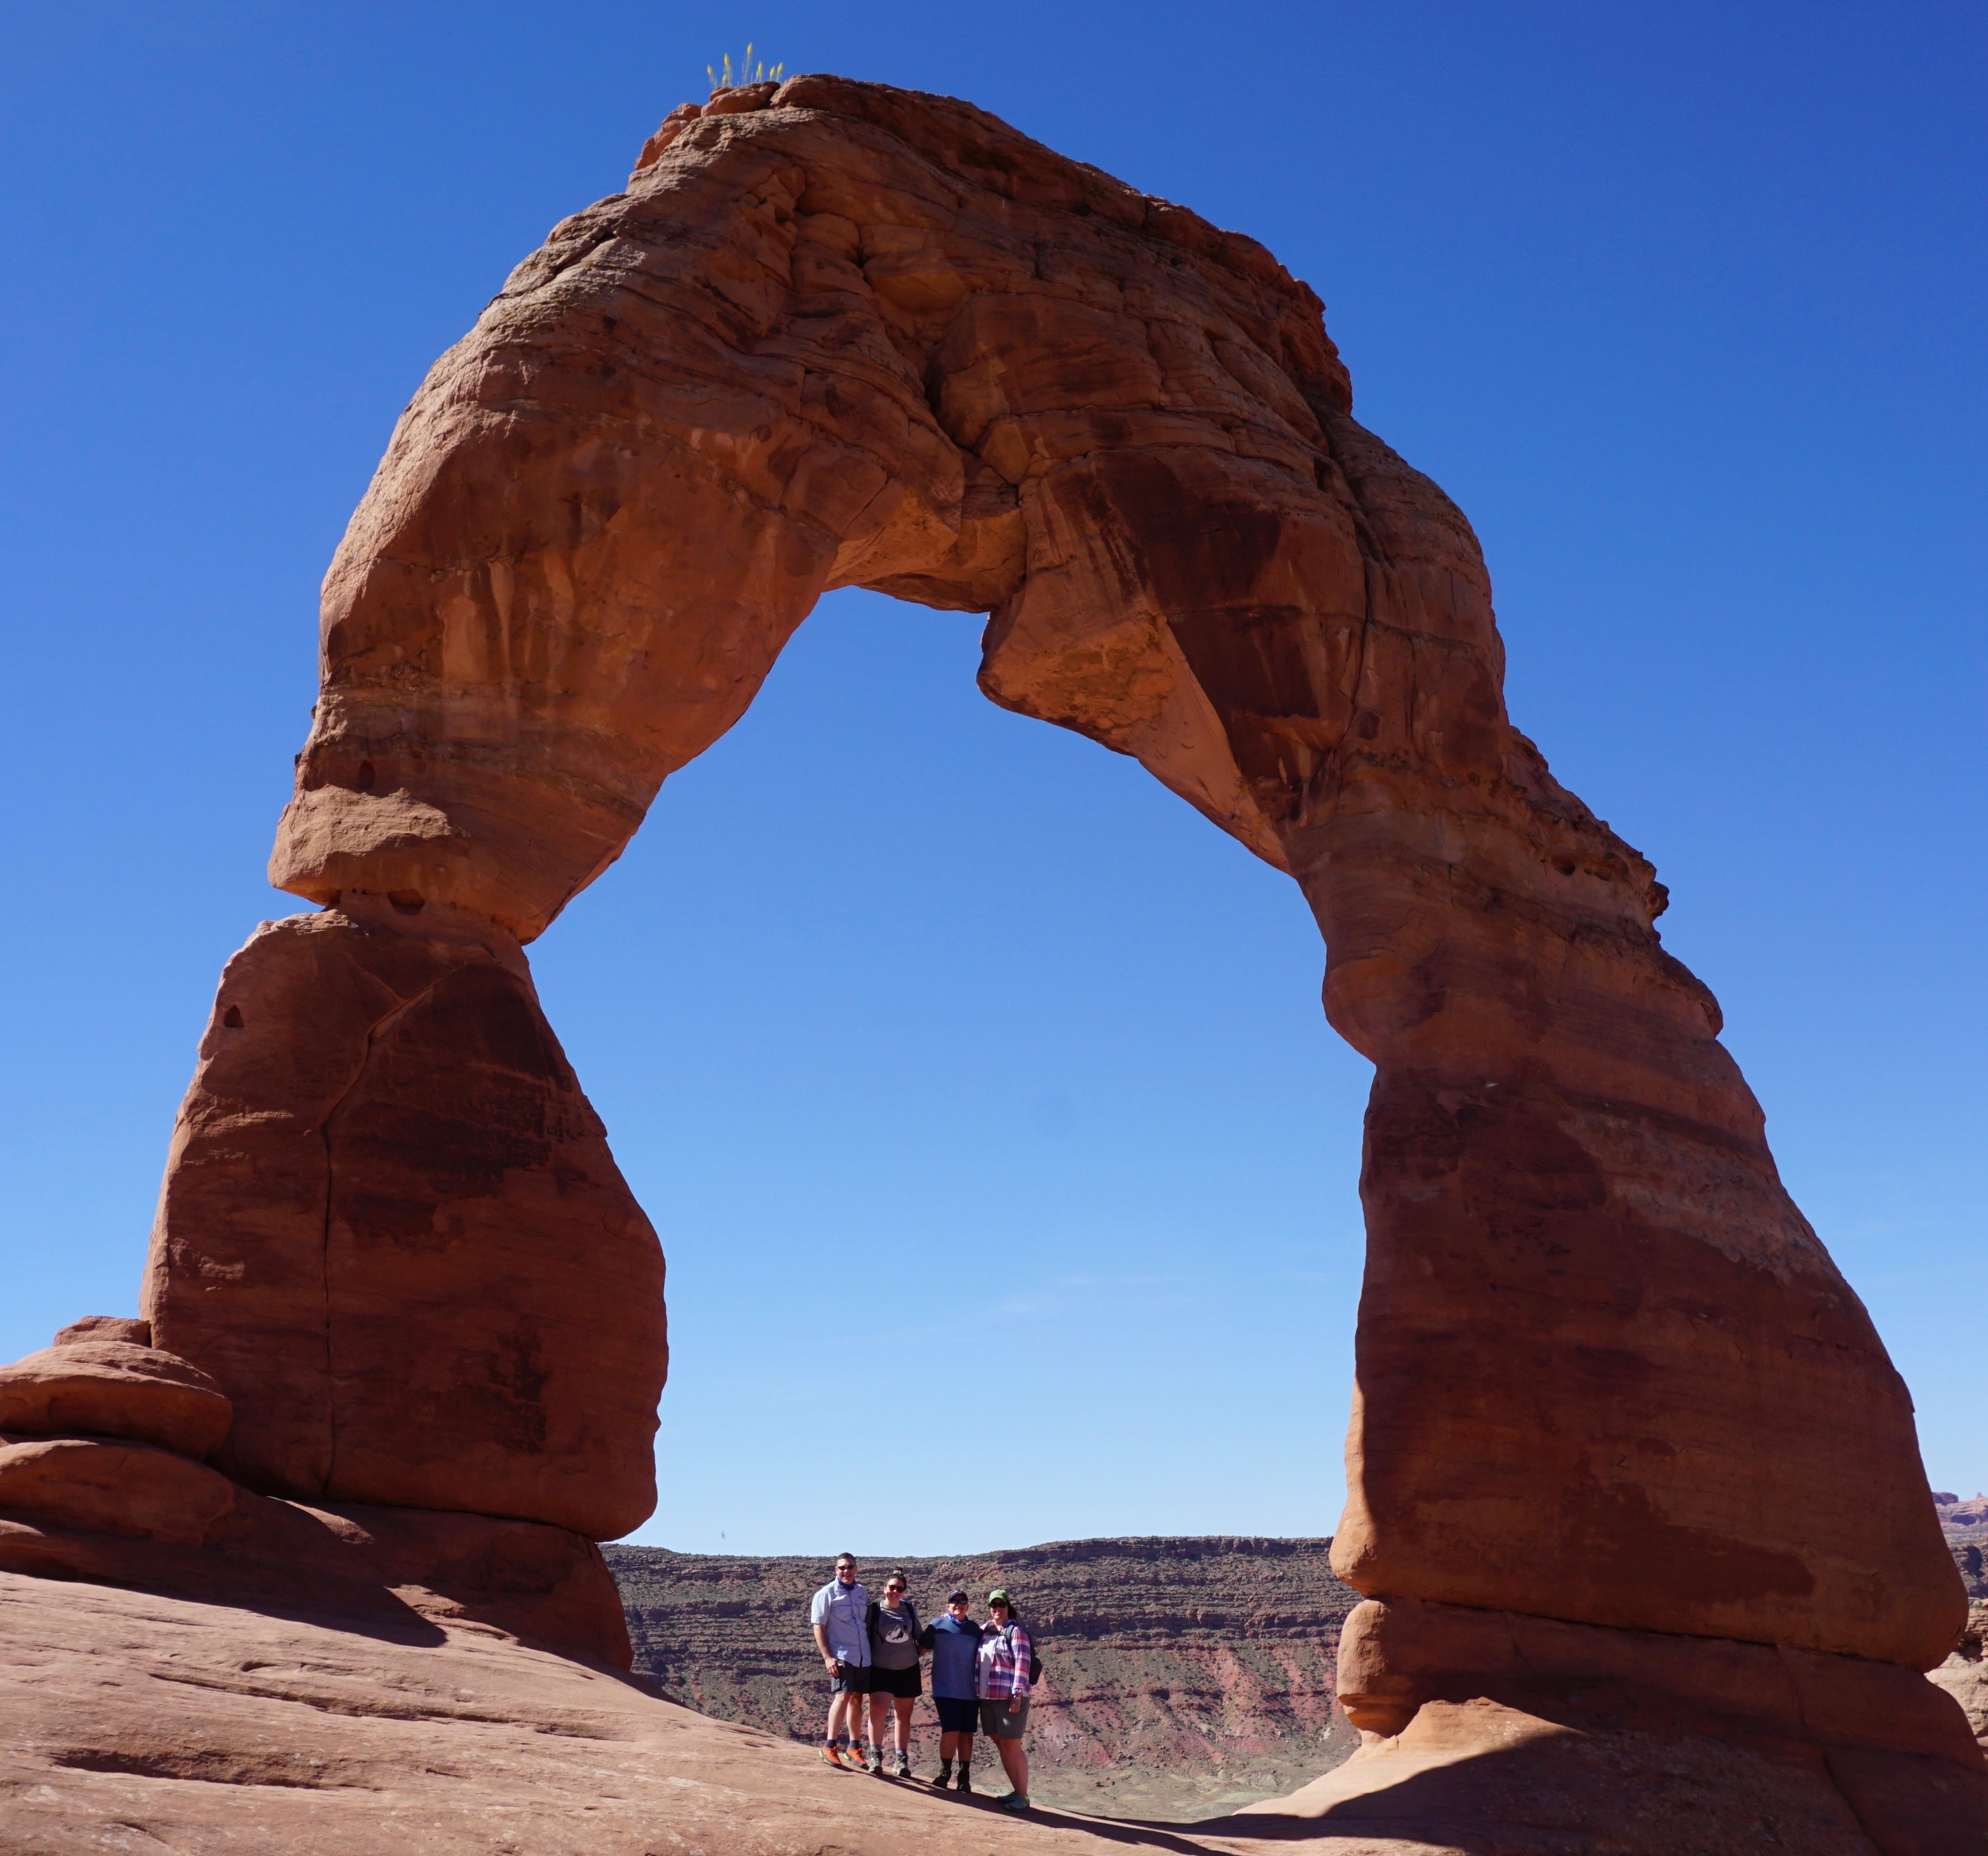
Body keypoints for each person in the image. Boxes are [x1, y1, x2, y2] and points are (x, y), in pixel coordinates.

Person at [808, 1552, 872, 1769]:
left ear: (856, 1568)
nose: (846, 1571)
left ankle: (854, 1748)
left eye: (850, 1567)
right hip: (842, 1656)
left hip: (863, 1656)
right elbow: (819, 1627)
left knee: (857, 1699)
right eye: (842, 1568)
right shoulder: (826, 1594)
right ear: (836, 1570)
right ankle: (830, 1745)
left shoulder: (862, 1592)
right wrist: (828, 1658)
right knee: (842, 1696)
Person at [976, 1587, 1033, 1812]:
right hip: (988, 1697)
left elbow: (1023, 1663)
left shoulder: (1016, 1631)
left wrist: (1017, 1694)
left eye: (1001, 1605)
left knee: (1012, 1745)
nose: (997, 1609)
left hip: (1010, 1697)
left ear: (1008, 1607)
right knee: (1001, 1744)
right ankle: (1016, 1791)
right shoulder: (986, 1631)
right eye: (993, 1605)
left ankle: (1023, 1796)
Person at [918, 1588, 981, 1792]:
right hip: (945, 1689)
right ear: (948, 1606)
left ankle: (964, 1776)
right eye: (954, 1601)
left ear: (968, 1606)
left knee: (966, 1734)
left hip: (971, 1691)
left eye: (963, 1601)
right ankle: (945, 1772)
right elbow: (919, 1651)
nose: (958, 1604)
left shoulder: (975, 1630)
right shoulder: (937, 1626)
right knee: (951, 1730)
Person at [864, 1571, 923, 1777]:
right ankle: (876, 1757)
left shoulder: (909, 1609)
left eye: (899, 1589)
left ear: (904, 1592)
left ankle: (901, 1761)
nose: (895, 1592)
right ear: (885, 1589)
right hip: (881, 1669)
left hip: (908, 1669)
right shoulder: (875, 1610)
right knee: (878, 1712)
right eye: (891, 1588)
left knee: (903, 1716)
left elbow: (920, 1637)